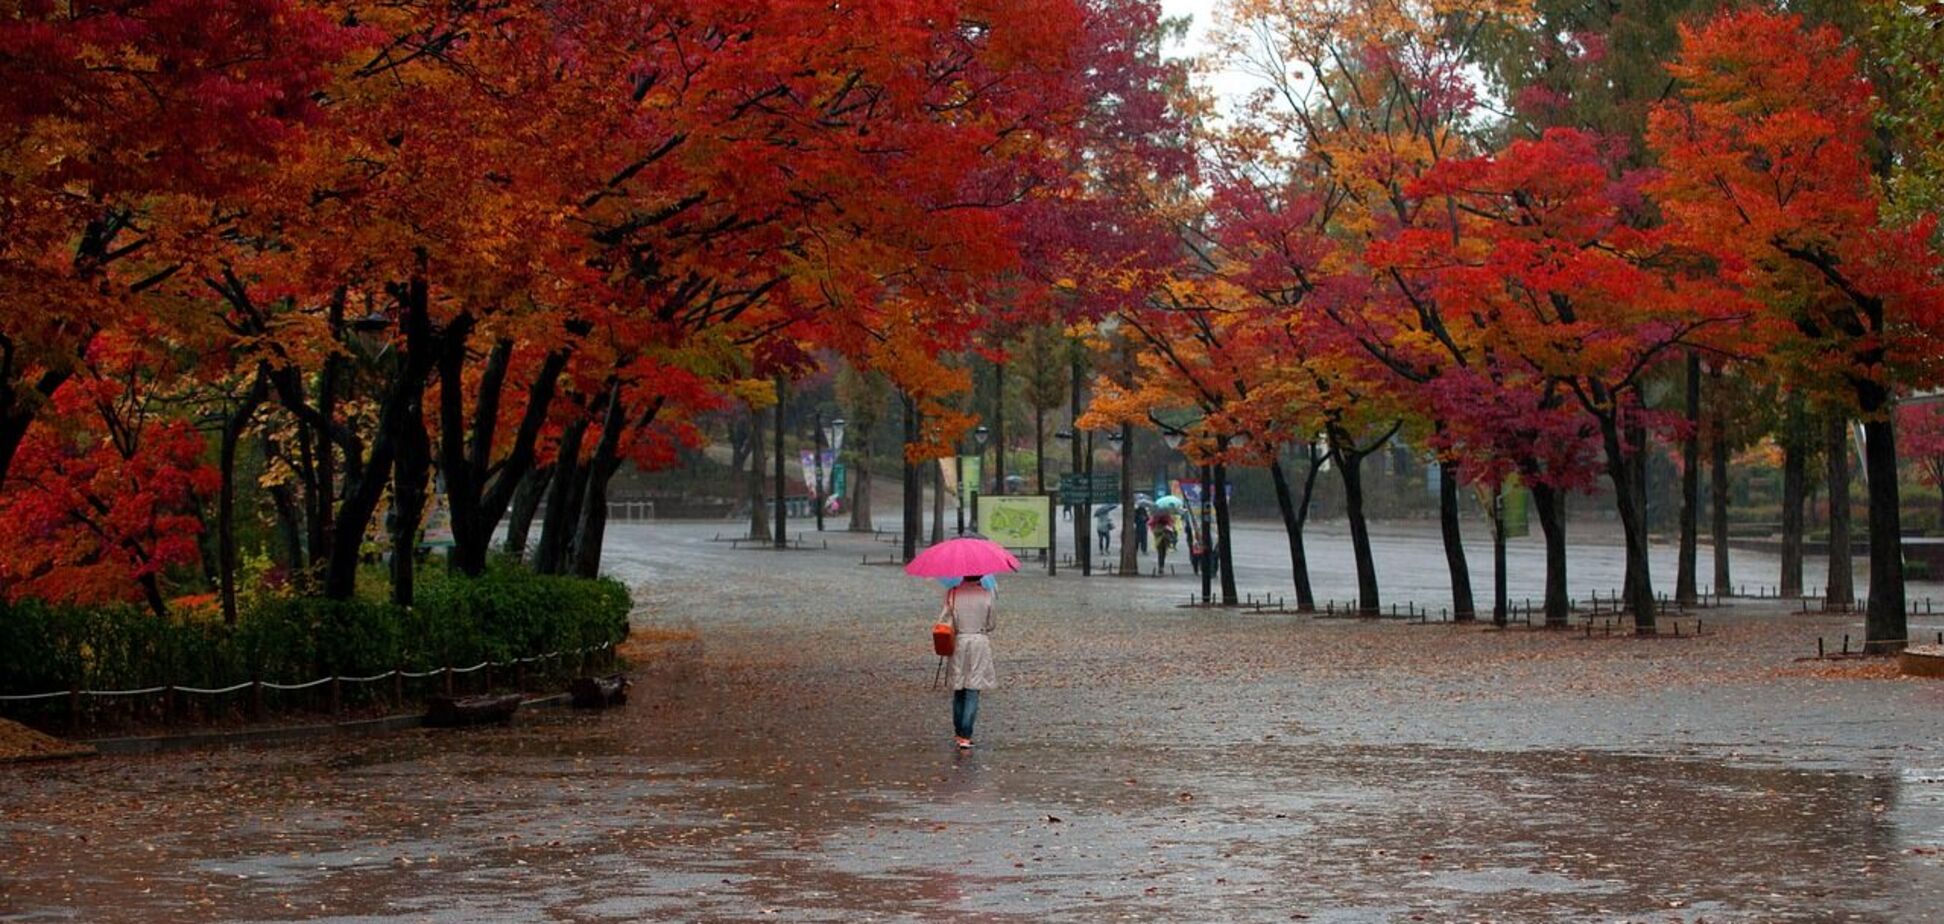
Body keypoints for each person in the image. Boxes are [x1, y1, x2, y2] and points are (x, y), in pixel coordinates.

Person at [941, 576, 997, 749]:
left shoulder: (953, 593)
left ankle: (959, 733)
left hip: (959, 642)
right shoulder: (987, 594)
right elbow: (991, 624)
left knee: (959, 688)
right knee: (973, 688)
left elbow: (944, 621)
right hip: (979, 642)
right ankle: (966, 735)